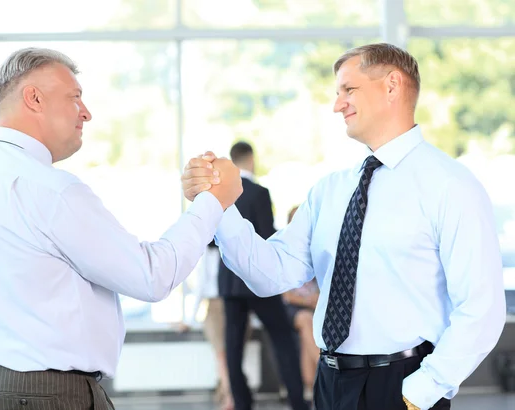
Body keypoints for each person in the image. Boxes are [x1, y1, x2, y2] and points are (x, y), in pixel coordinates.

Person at [181, 43, 506, 410]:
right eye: (337, 93)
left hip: (403, 384)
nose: (338, 104)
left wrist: (419, 393)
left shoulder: (450, 185)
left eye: (348, 90)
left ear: (392, 86)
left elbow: (482, 307)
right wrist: (221, 206)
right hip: (331, 383)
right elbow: (269, 273)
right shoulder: (331, 190)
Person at [0, 47, 242, 410]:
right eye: (74, 97)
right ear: (33, 98)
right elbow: (152, 276)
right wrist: (214, 201)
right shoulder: (50, 189)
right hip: (46, 395)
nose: (86, 112)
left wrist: (6, 331)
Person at [216, 142, 308, 410]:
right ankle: (297, 401)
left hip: (229, 283)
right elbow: (267, 235)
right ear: (251, 160)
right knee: (282, 339)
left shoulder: (218, 194)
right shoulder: (258, 192)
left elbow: (211, 242)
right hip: (256, 281)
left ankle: (243, 404)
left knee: (233, 347)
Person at [177, 241, 235, 410]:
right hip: (222, 306)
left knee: (226, 356)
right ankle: (229, 395)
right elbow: (200, 287)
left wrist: (189, 320)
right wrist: (189, 320)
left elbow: (200, 288)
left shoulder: (222, 252)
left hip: (226, 305)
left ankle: (229, 395)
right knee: (225, 355)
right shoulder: (214, 254)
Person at [281, 206, 320, 394]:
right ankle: (323, 372)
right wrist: (310, 301)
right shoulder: (285, 250)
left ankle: (311, 387)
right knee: (306, 319)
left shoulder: (317, 246)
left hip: (316, 305)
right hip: (294, 307)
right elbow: (287, 295)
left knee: (308, 333)